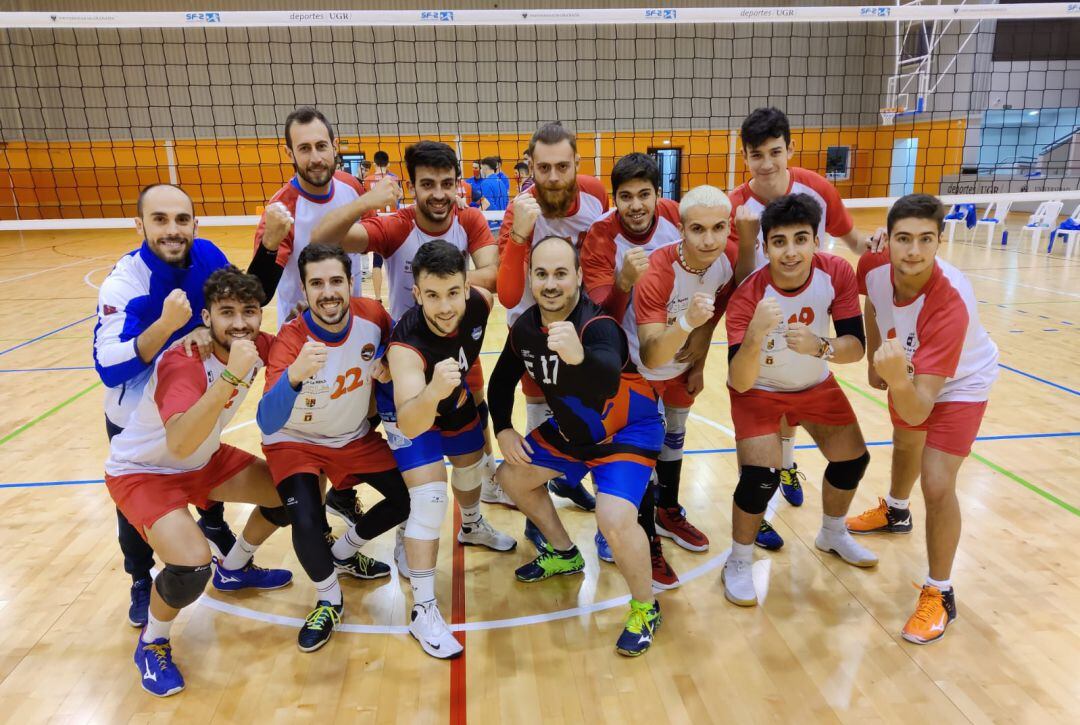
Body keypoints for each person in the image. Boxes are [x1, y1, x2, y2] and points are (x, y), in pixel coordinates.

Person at [104, 267, 293, 696]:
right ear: (206, 318)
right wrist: (230, 377)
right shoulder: (183, 361)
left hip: (203, 461)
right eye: (227, 312)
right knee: (190, 566)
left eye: (249, 311)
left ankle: (236, 567)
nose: (240, 322)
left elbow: (300, 344)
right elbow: (180, 440)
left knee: (296, 491)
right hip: (145, 473)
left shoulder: (256, 345)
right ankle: (152, 642)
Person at [490, 235, 665, 657]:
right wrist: (504, 429)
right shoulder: (526, 328)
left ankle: (645, 606)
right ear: (531, 278)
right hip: (573, 432)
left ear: (579, 277)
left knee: (613, 517)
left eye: (561, 274)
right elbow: (499, 382)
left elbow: (605, 379)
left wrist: (577, 357)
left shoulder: (597, 325)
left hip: (627, 430)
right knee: (509, 476)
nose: (551, 284)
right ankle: (565, 554)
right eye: (542, 274)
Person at [310, 140, 507, 505]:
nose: (438, 193)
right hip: (407, 350)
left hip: (456, 336)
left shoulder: (469, 219)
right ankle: (345, 491)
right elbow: (321, 239)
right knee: (366, 419)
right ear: (411, 187)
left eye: (447, 184)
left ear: (458, 184)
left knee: (477, 411)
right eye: (427, 184)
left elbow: (493, 274)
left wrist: (445, 285)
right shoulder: (396, 227)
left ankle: (488, 479)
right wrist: (366, 202)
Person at [846, 193, 998, 644]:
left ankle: (941, 591)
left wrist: (896, 377)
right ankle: (895, 512)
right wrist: (875, 355)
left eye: (925, 240)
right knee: (905, 440)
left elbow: (919, 406)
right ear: (887, 240)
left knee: (936, 481)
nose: (913, 251)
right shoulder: (872, 266)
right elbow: (872, 303)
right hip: (911, 365)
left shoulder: (950, 303)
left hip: (961, 382)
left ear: (940, 242)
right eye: (904, 239)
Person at [93, 183, 244, 629]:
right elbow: (108, 366)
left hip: (191, 398)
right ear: (139, 225)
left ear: (195, 223)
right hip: (135, 418)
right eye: (160, 220)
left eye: (182, 219)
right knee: (135, 507)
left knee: (204, 461)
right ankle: (141, 578)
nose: (173, 230)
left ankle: (215, 527)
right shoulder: (125, 282)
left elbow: (238, 299)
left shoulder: (208, 255)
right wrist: (166, 328)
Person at [728, 107, 885, 532]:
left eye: (775, 152)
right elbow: (741, 284)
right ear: (745, 157)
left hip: (810, 320)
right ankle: (758, 506)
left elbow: (853, 239)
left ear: (790, 149)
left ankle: (788, 467)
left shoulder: (816, 189)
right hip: (761, 316)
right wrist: (745, 241)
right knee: (766, 395)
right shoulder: (736, 208)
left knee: (802, 380)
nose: (766, 163)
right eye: (756, 155)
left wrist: (879, 245)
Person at [721, 194, 878, 607]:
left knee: (853, 461)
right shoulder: (747, 295)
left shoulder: (836, 273)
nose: (790, 252)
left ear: (816, 241)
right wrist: (755, 334)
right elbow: (738, 382)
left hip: (815, 383)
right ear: (765, 246)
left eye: (800, 239)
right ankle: (738, 560)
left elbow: (856, 347)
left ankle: (832, 532)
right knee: (759, 479)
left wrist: (821, 346)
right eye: (779, 242)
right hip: (760, 390)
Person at [257, 244, 406, 652]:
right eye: (317, 284)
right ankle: (328, 599)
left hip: (352, 437)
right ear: (304, 291)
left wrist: (392, 364)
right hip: (296, 442)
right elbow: (267, 421)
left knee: (406, 498)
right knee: (305, 518)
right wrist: (293, 376)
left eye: (336, 281)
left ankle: (344, 551)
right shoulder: (291, 340)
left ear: (351, 282)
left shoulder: (373, 317)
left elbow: (404, 346)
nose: (328, 292)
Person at [383, 240, 516, 659]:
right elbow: (411, 420)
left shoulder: (481, 302)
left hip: (452, 391)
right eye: (433, 296)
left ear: (465, 286)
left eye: (453, 293)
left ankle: (472, 525)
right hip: (410, 405)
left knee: (472, 464)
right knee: (430, 497)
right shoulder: (405, 347)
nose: (444, 307)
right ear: (417, 293)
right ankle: (422, 610)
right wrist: (434, 390)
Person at [245, 106, 374, 526]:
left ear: (336, 146)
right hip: (304, 339)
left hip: (351, 327)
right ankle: (313, 522)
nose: (315, 157)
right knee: (312, 429)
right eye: (305, 149)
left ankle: (343, 492)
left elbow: (376, 238)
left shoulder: (352, 187)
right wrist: (270, 244)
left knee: (357, 414)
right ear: (290, 154)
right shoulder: (280, 208)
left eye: (322, 146)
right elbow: (257, 293)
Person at [624, 184, 745, 587]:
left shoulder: (727, 259)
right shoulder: (657, 273)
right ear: (680, 229)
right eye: (697, 229)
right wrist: (689, 324)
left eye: (719, 228)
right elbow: (652, 355)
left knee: (674, 437)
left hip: (682, 362)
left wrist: (700, 360)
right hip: (639, 367)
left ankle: (668, 510)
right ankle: (646, 540)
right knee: (642, 453)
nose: (709, 240)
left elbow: (714, 314)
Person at [497, 122, 611, 525]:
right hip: (532, 331)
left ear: (578, 162)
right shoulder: (521, 207)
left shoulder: (596, 196)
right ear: (530, 165)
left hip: (579, 328)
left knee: (594, 418)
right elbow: (508, 295)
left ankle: (587, 493)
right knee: (540, 422)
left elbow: (599, 269)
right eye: (543, 168)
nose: (553, 177)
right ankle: (538, 519)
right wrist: (519, 237)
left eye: (562, 167)